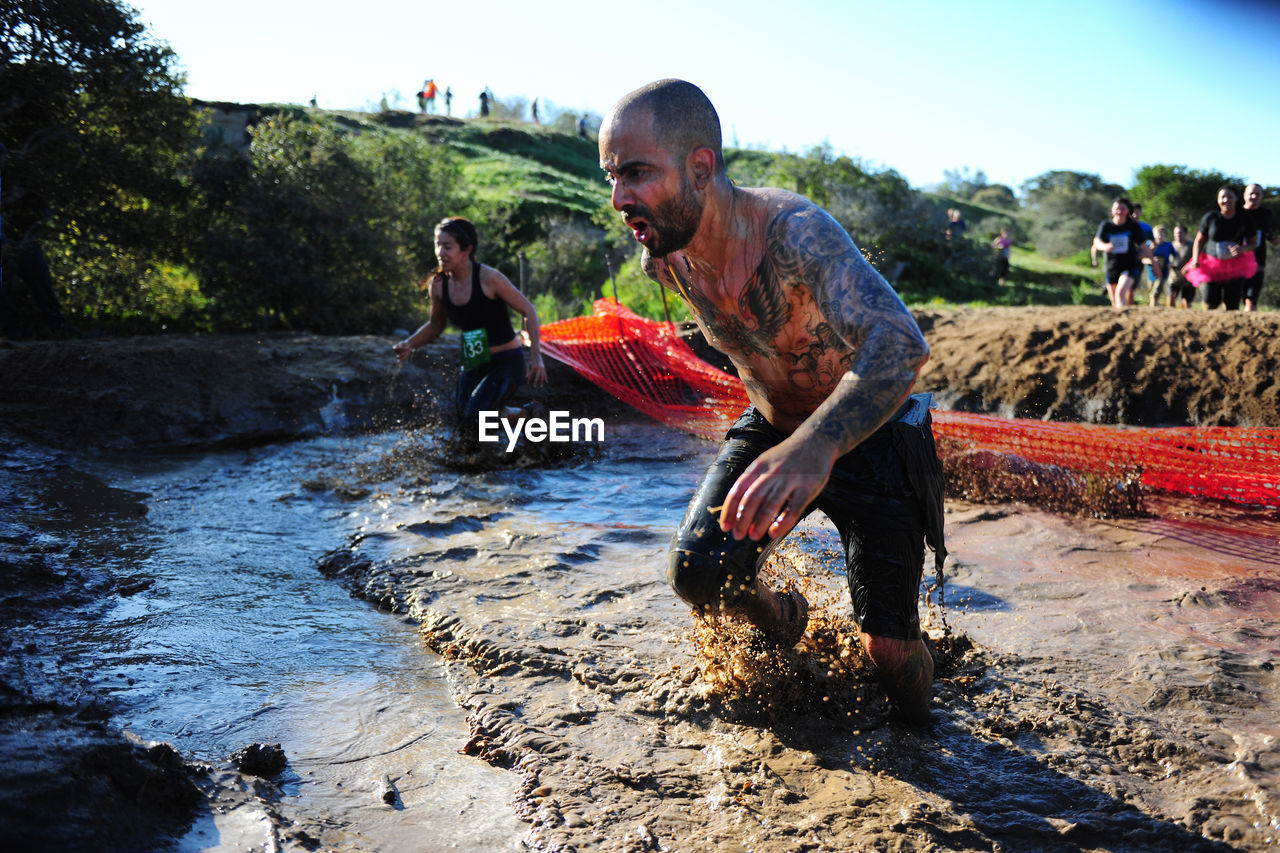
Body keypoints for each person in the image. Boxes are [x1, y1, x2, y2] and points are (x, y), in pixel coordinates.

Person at [599, 79, 945, 726]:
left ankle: (925, 737)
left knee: (889, 650)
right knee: (698, 572)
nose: (620, 197)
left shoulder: (793, 233)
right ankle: (785, 617)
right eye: (612, 176)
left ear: (701, 167)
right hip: (773, 428)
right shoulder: (664, 258)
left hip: (874, 433)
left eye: (638, 172)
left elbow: (901, 342)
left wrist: (817, 445)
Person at [393, 217, 546, 434]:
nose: (440, 252)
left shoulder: (489, 278)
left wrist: (535, 356)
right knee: (465, 420)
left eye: (447, 246)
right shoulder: (438, 286)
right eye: (437, 245)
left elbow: (528, 310)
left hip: (506, 362)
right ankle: (522, 415)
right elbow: (436, 325)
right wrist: (409, 344)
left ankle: (500, 449)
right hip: (474, 360)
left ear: (466, 249)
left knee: (475, 417)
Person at [1184, 185, 1257, 311]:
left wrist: (1243, 249)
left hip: (1236, 265)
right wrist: (1195, 259)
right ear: (1218, 200)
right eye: (1223, 197)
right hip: (1211, 264)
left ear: (1236, 199)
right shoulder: (1211, 217)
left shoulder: (1245, 218)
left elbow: (1254, 243)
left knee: (1232, 304)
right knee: (1210, 301)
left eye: (1230, 197)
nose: (1226, 200)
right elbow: (1199, 241)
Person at [1092, 197, 1151, 308]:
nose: (1119, 211)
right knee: (1114, 300)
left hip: (1129, 265)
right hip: (1111, 266)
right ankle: (1119, 322)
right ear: (1112, 210)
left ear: (1128, 210)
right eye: (1117, 208)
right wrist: (1104, 246)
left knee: (1121, 293)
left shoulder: (1133, 226)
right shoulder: (1106, 225)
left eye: (1123, 208)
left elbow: (1144, 245)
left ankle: (1125, 319)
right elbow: (1096, 241)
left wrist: (1154, 263)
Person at [1242, 183, 1277, 312]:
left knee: (1252, 295)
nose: (1254, 196)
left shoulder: (1266, 213)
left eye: (1258, 194)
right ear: (1244, 195)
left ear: (1262, 197)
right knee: (1238, 293)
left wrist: (1273, 238)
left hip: (1258, 257)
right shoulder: (1238, 214)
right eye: (1251, 193)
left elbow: (1267, 232)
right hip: (1238, 259)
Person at [1145, 225, 1177, 306]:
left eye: (1162, 234)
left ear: (1164, 235)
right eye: (1157, 234)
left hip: (1163, 271)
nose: (1159, 236)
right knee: (1151, 291)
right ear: (1153, 235)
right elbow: (1142, 259)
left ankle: (1152, 307)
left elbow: (1175, 257)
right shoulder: (1148, 244)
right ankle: (1155, 305)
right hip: (1151, 272)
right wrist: (1151, 261)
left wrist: (1171, 263)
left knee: (1155, 292)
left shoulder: (1168, 245)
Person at [1168, 224, 1197, 308]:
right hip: (1174, 276)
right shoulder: (1170, 245)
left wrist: (1188, 266)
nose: (1178, 235)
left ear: (1185, 233)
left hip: (1188, 277)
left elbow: (1198, 258)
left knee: (1186, 301)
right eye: (1176, 233)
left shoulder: (1192, 245)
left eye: (1180, 232)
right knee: (1171, 297)